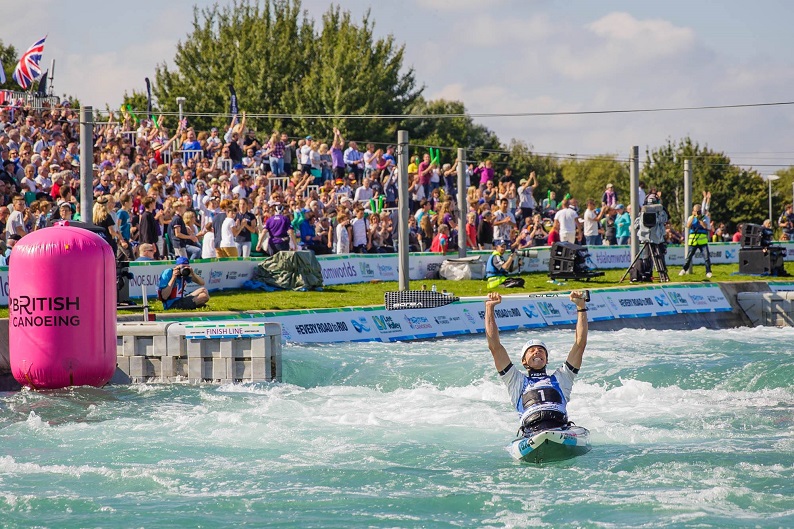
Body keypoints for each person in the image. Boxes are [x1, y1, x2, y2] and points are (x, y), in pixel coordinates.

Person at [485, 290, 588, 436]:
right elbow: (494, 347)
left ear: (546, 358)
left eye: (541, 350)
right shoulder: (515, 380)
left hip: (560, 428)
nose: (536, 352)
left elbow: (579, 344)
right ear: (523, 360)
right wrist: (490, 308)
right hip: (532, 432)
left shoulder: (562, 377)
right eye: (531, 350)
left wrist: (581, 307)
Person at [679, 203, 712, 279]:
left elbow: (705, 226)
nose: (697, 212)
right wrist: (694, 217)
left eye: (698, 211)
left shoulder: (705, 218)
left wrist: (700, 219)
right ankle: (684, 269)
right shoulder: (691, 217)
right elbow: (688, 225)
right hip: (693, 241)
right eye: (695, 211)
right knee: (689, 257)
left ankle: (708, 271)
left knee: (706, 257)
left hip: (702, 241)